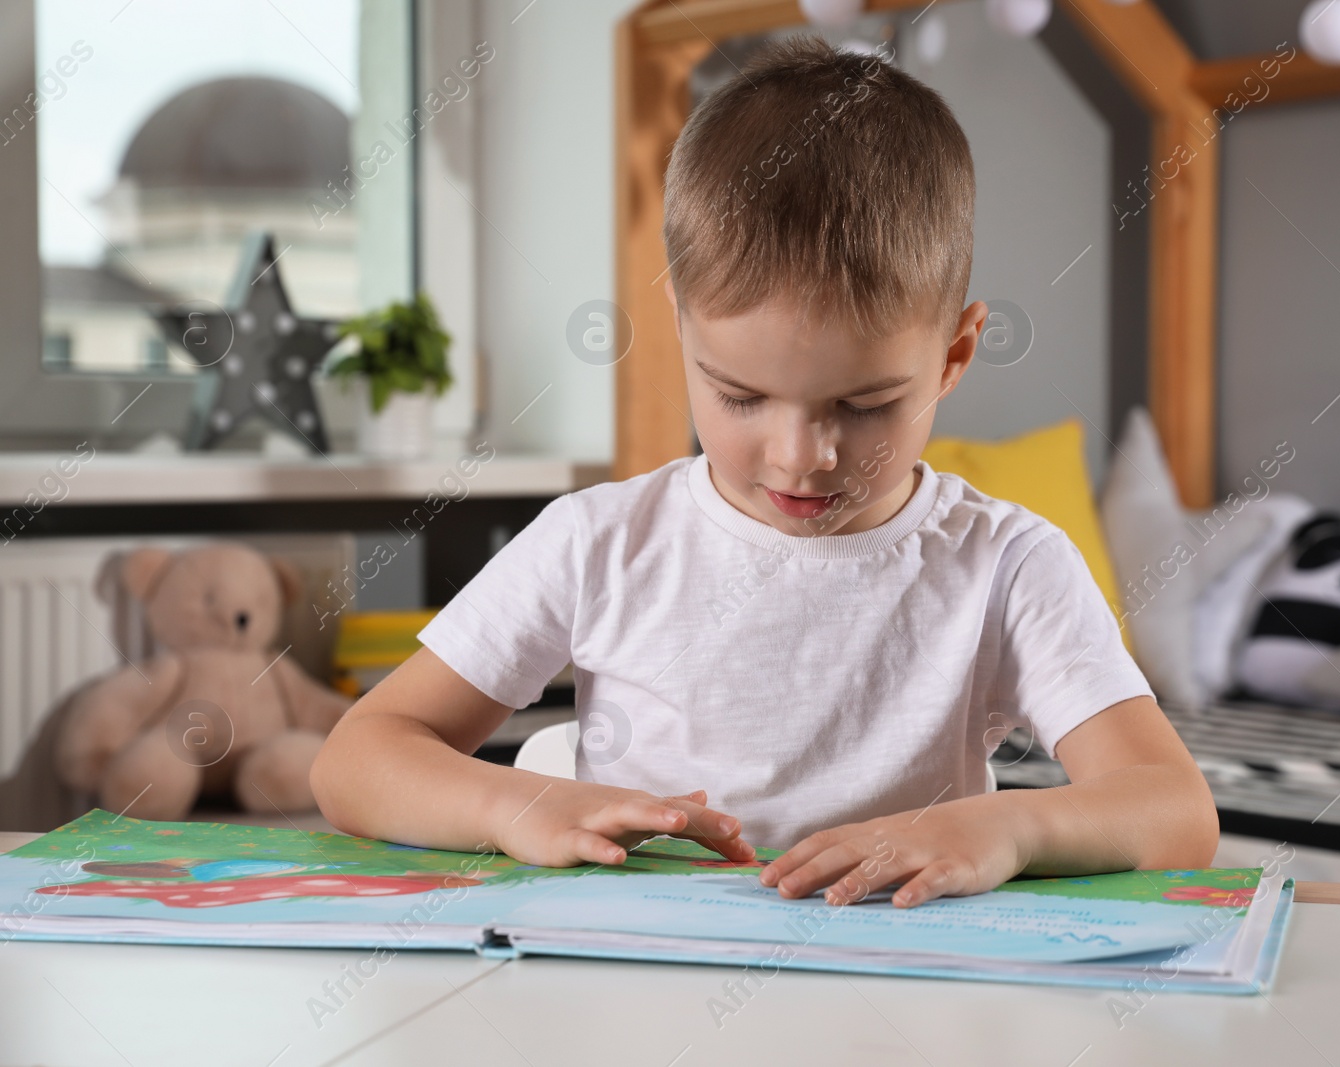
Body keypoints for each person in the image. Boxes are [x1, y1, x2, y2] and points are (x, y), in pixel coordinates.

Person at [311, 34, 1218, 910]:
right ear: (681, 322)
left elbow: (1176, 811)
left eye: (863, 406)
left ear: (954, 352)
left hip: (899, 992)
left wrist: (1009, 830)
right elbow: (358, 759)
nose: (800, 457)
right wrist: (514, 803)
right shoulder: (598, 541)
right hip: (637, 990)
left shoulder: (1008, 564)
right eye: (740, 395)